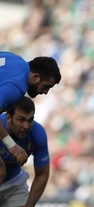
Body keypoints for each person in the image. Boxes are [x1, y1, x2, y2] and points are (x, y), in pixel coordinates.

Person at [0, 52, 61, 184]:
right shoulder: (17, 87)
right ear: (35, 78)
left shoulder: (15, 59)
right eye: (46, 86)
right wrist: (12, 145)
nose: (45, 92)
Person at [0, 96, 50, 207]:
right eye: (21, 120)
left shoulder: (38, 133)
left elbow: (42, 174)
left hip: (12, 184)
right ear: (8, 117)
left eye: (30, 120)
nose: (27, 126)